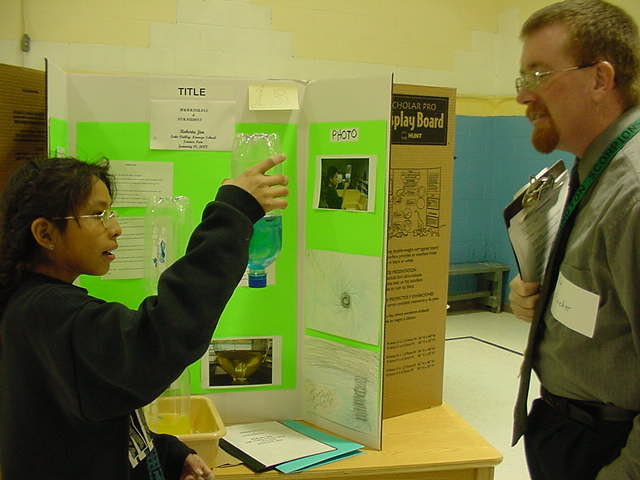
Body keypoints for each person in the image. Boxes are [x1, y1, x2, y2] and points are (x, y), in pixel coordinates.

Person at [0, 154, 288, 479]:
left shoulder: (43, 310)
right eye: (98, 214)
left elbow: (92, 420)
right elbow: (164, 334)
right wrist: (233, 213)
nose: (116, 228)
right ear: (46, 234)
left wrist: (165, 452)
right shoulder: (46, 315)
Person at [508, 1, 640, 479]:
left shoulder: (634, 193)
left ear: (601, 79)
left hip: (610, 449)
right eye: (522, 80)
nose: (525, 97)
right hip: (568, 429)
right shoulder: (591, 169)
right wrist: (542, 299)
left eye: (539, 75)